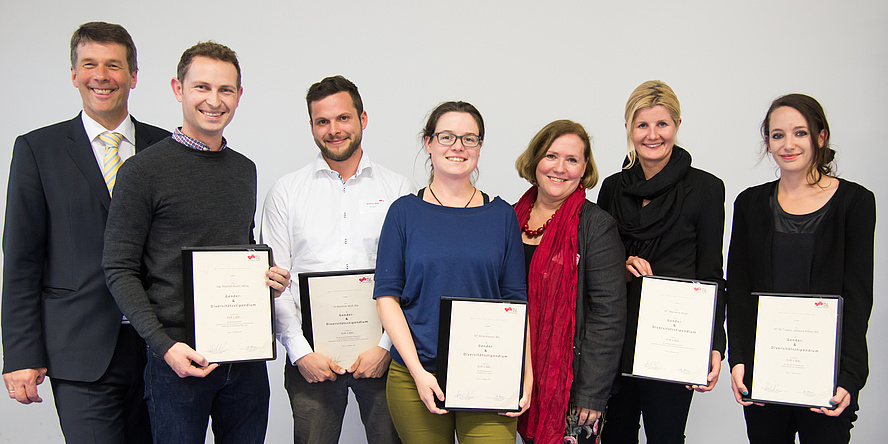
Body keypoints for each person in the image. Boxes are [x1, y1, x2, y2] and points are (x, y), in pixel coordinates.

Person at [102, 41, 290, 444]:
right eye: (202, 87)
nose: (214, 100)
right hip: (177, 359)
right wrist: (163, 345)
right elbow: (118, 268)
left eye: (225, 90)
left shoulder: (244, 170)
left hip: (245, 357)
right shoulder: (141, 172)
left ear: (239, 96)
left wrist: (266, 276)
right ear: (178, 88)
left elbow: (239, 245)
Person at [1, 21, 168, 443]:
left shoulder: (168, 149)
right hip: (80, 351)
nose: (101, 75)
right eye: (89, 64)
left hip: (162, 349)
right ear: (73, 74)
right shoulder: (38, 150)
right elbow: (21, 261)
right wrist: (20, 355)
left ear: (133, 75)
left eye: (114, 65)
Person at [260, 75, 411, 443]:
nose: (333, 130)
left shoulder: (398, 190)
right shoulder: (286, 191)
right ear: (311, 126)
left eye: (343, 118)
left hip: (382, 351)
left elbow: (408, 278)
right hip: (311, 355)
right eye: (322, 121)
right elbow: (276, 281)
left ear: (363, 118)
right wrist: (298, 351)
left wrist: (384, 348)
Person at [373, 101, 531, 443]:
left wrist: (526, 375)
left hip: (488, 374)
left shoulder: (502, 215)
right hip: (416, 375)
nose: (457, 146)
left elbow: (517, 302)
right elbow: (387, 297)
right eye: (446, 136)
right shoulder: (403, 213)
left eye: (469, 138)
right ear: (428, 143)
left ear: (479, 147)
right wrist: (417, 372)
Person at [726, 94, 875, 443]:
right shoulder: (749, 203)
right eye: (777, 135)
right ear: (768, 142)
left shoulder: (855, 202)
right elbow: (740, 290)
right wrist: (740, 359)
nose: (788, 144)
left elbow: (858, 296)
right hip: (765, 374)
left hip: (827, 375)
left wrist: (849, 377)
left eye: (800, 133)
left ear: (820, 138)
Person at [596, 80, 726, 443]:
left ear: (678, 125)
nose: (652, 135)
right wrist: (619, 269)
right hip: (616, 337)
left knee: (666, 437)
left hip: (675, 339)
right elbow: (597, 265)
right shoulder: (611, 188)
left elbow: (711, 272)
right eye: (642, 125)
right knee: (615, 436)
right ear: (628, 129)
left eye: (662, 124)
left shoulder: (706, 189)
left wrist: (715, 342)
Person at [513, 120, 627, 444]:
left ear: (584, 168)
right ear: (536, 160)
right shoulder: (508, 219)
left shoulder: (597, 227)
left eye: (572, 159)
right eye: (551, 156)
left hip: (571, 387)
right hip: (512, 375)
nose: (559, 168)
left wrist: (592, 392)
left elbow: (609, 315)